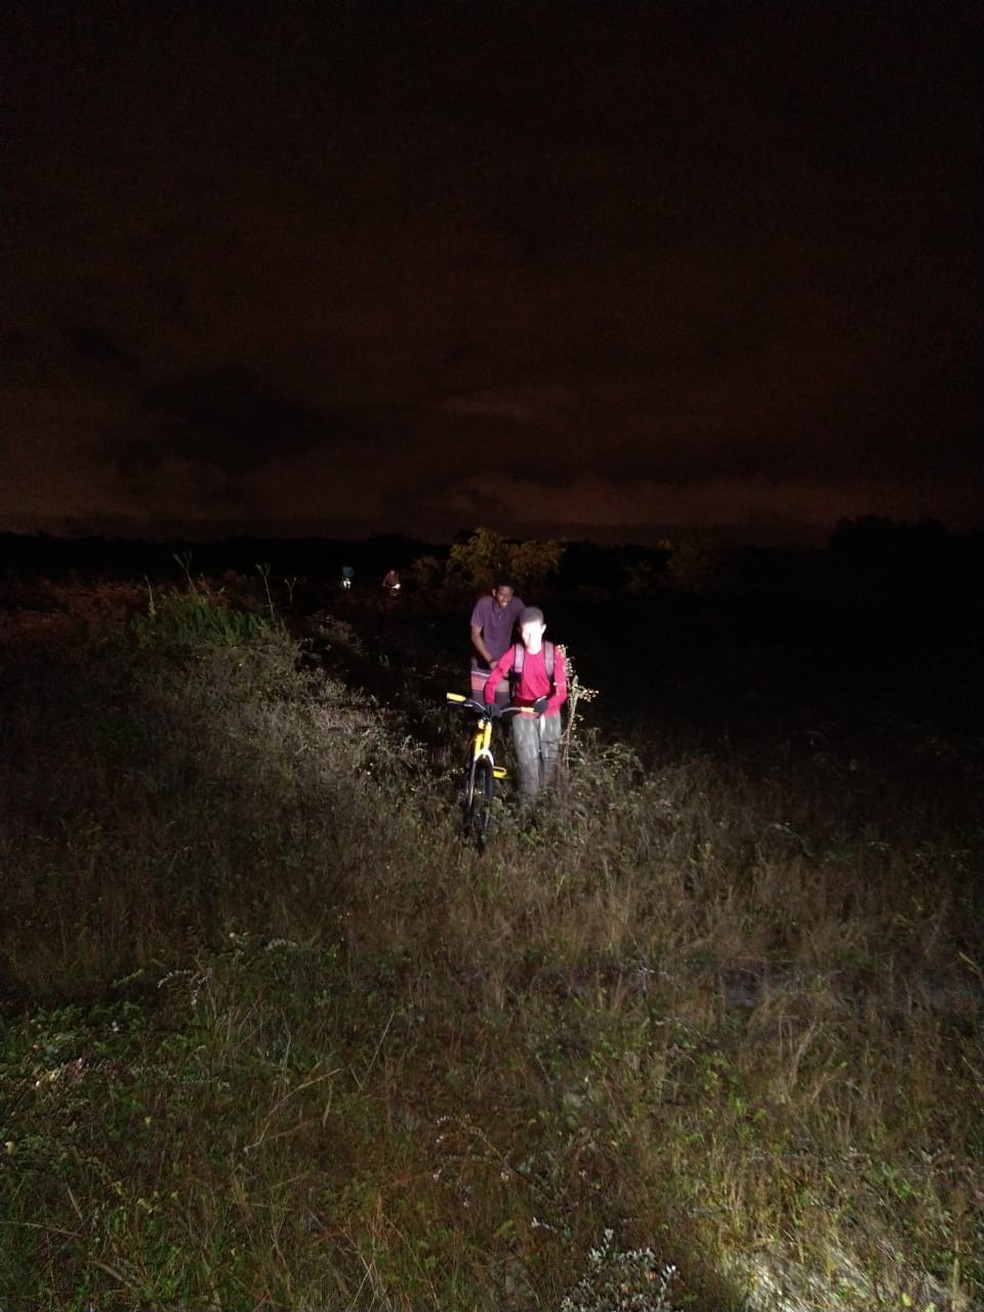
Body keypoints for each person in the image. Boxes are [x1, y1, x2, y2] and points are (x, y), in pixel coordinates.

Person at [483, 605, 567, 807]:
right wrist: (490, 703)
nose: (529, 639)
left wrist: (547, 703)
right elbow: (492, 680)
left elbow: (562, 691)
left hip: (550, 715)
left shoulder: (552, 653)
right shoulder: (516, 652)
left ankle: (544, 807)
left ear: (543, 629)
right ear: (520, 631)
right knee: (528, 767)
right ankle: (526, 813)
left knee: (549, 762)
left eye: (534, 633)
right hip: (522, 714)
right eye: (525, 633)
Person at [469, 579, 525, 705]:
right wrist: (490, 660)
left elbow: (527, 624)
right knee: (480, 708)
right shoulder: (484, 604)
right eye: (502, 594)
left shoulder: (516, 604)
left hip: (502, 665)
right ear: (494, 592)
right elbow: (475, 635)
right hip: (480, 664)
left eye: (509, 595)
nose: (505, 599)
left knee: (502, 708)